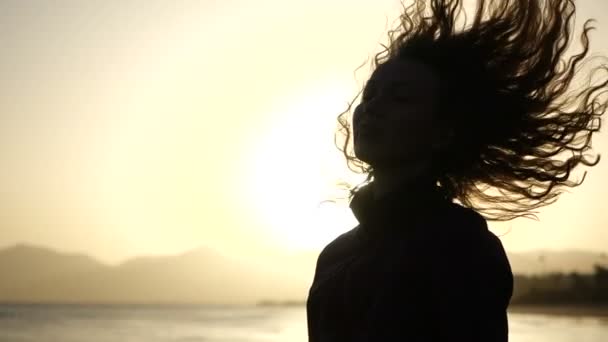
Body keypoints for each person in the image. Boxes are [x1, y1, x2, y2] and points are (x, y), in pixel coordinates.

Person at [306, 0, 608, 341]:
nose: (373, 107)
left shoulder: (461, 245)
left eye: (400, 97)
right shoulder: (335, 255)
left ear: (442, 133)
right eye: (371, 94)